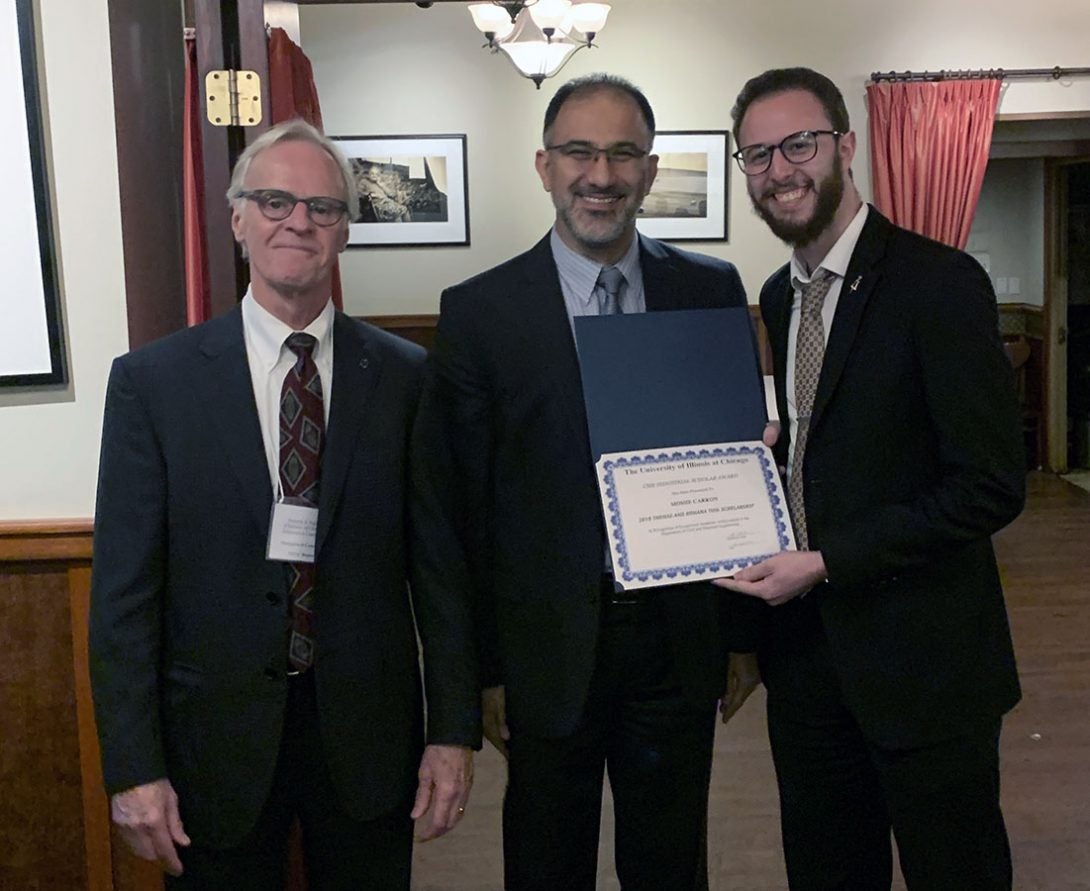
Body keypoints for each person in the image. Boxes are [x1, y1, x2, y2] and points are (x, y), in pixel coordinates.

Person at [89, 119, 479, 890]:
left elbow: (442, 573)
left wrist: (453, 732)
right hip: (212, 742)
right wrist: (133, 765)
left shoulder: (406, 378)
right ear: (237, 218)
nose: (297, 221)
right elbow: (124, 594)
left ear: (345, 231)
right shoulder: (153, 385)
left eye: (322, 207)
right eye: (274, 201)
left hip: (368, 735)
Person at [413, 73, 766, 890]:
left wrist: (743, 639)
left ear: (648, 170)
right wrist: (474, 682)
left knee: (673, 863)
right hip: (542, 658)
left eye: (622, 153)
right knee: (545, 864)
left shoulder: (708, 292)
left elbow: (735, 474)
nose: (599, 174)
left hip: (678, 647)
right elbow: (454, 518)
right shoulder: (479, 313)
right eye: (579, 151)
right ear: (544, 165)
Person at [717, 67, 1025, 890]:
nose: (779, 169)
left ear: (845, 146)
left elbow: (991, 484)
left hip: (926, 664)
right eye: (756, 155)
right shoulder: (779, 295)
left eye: (798, 144)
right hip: (809, 663)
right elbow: (831, 444)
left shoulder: (939, 281)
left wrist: (826, 560)